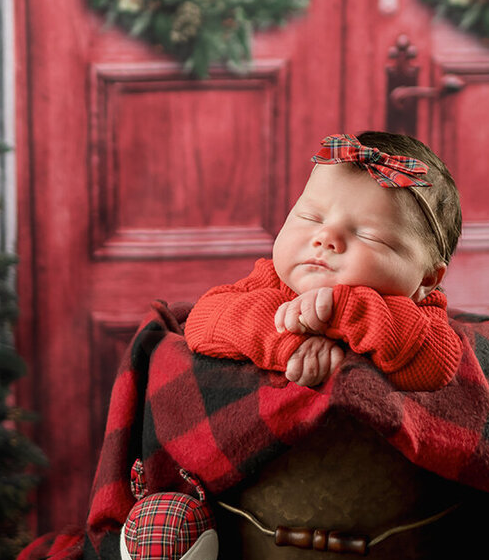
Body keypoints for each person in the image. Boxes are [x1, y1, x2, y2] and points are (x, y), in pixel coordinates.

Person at [184, 131, 463, 390]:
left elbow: (436, 366)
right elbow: (202, 322)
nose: (325, 237)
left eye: (369, 236)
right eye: (311, 218)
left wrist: (340, 309)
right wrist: (288, 340)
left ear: (426, 279)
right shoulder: (272, 279)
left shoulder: (422, 313)